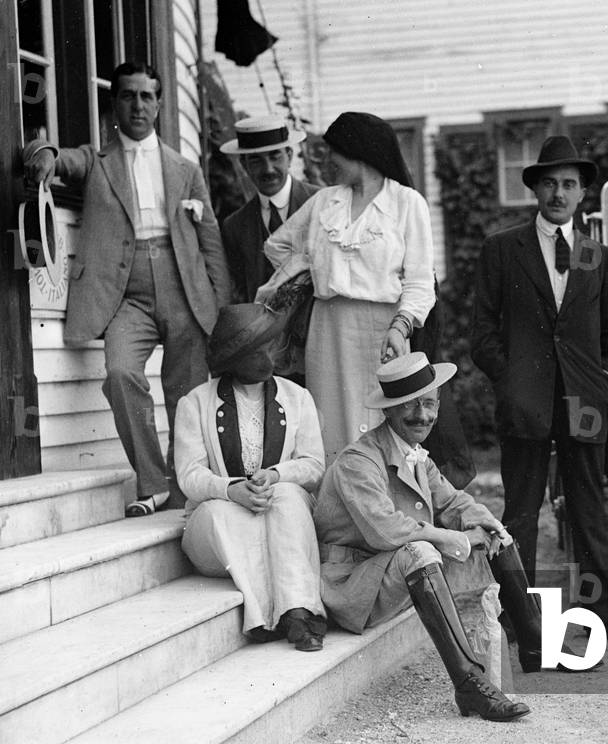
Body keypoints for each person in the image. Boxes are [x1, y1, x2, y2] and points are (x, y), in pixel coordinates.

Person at [315, 353, 587, 722]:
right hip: (354, 584)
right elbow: (385, 530)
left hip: (389, 573)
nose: (422, 416)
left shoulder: (414, 455)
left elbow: (453, 501)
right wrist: (451, 538)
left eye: (429, 404)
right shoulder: (358, 461)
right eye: (409, 407)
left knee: (492, 534)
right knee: (422, 551)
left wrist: (489, 524)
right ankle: (469, 685)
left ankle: (535, 641)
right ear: (389, 412)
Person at [21, 61, 231, 516]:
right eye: (128, 96)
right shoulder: (98, 162)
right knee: (120, 375)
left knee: (187, 394)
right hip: (125, 295)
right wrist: (42, 153)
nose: (138, 105)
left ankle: (186, 488)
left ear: (158, 104)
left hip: (182, 288)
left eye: (147, 96)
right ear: (114, 104)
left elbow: (210, 240)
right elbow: (58, 157)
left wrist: (219, 304)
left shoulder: (185, 169)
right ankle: (153, 480)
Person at [471, 135, 608, 643]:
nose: (559, 193)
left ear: (582, 193)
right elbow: (482, 332)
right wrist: (511, 378)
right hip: (525, 401)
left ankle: (600, 615)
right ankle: (519, 618)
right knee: (521, 511)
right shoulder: (503, 249)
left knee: (589, 508)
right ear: (536, 191)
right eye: (549, 183)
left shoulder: (598, 256)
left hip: (585, 402)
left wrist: (606, 378)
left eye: (569, 184)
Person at [253, 111, 435, 465]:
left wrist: (401, 327)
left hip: (385, 333)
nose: (327, 160)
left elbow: (420, 281)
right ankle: (337, 509)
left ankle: (384, 509)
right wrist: (311, 273)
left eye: (333, 151)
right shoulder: (325, 202)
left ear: (359, 152)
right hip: (328, 329)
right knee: (329, 424)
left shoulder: (406, 203)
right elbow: (278, 245)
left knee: (384, 421)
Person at [175, 303, 328, 650]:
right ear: (233, 357)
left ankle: (299, 612)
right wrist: (231, 490)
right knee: (219, 512)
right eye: (254, 350)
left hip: (277, 513)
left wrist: (276, 475)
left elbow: (313, 464)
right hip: (219, 528)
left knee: (287, 496)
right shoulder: (196, 403)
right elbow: (189, 475)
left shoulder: (297, 398)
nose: (267, 357)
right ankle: (260, 616)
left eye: (270, 345)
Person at [219, 116, 320, 304]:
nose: (268, 169)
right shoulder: (235, 226)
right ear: (244, 165)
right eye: (256, 160)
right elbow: (241, 292)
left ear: (289, 156)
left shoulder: (320, 203)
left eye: (275, 156)